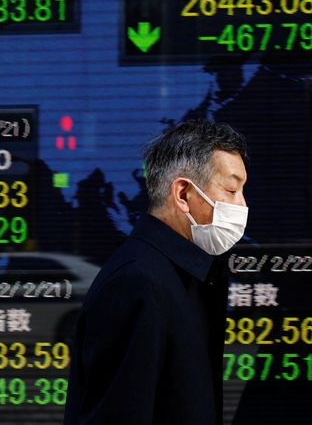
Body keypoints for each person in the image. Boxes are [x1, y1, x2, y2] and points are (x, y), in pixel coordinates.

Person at [63, 120, 249, 425]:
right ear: (183, 193)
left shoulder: (185, 275)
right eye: (231, 189)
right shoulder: (137, 282)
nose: (241, 205)